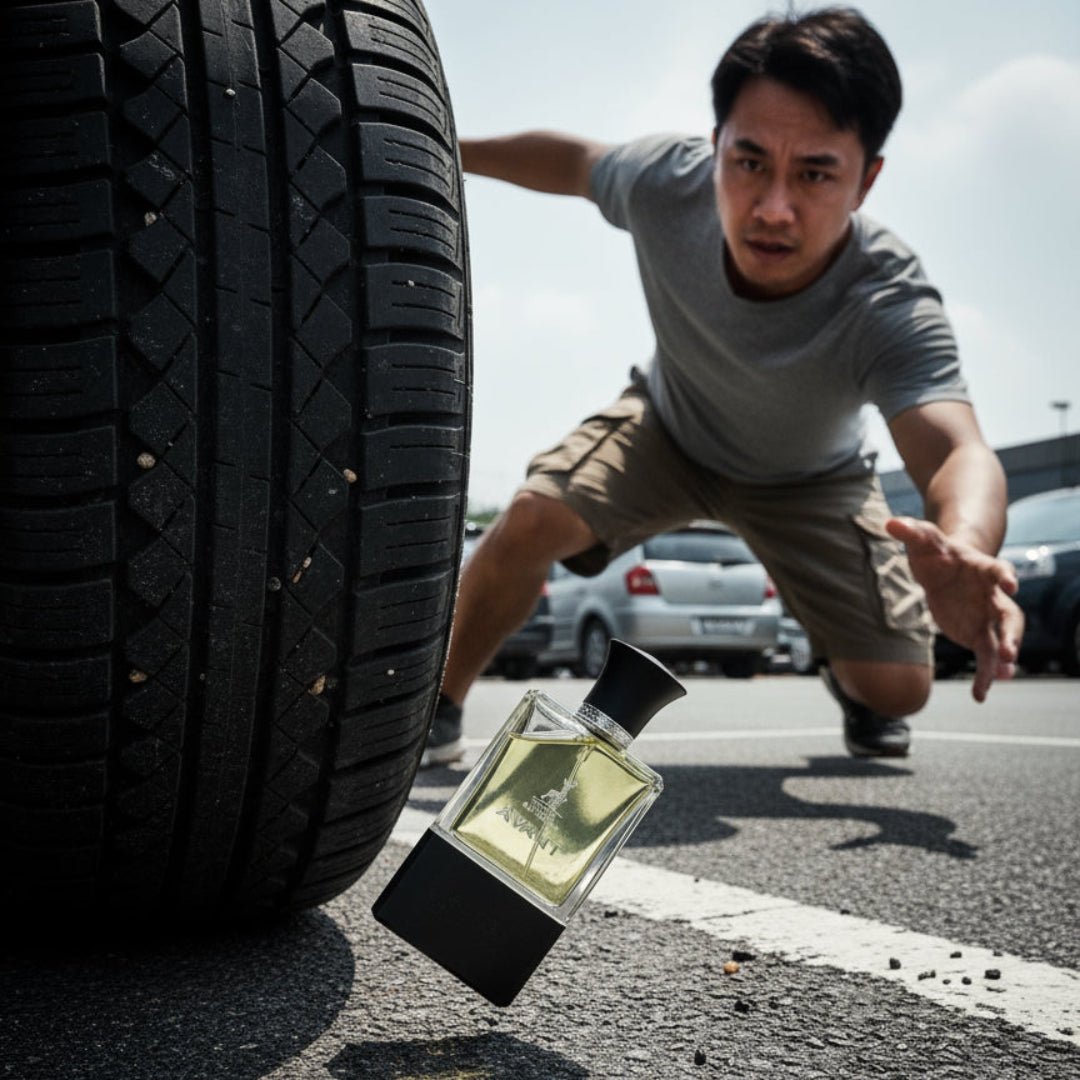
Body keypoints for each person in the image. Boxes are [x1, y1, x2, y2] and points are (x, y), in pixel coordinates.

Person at [422, 6, 1024, 767]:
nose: (773, 207)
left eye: (814, 173)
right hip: (670, 429)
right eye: (749, 163)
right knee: (535, 514)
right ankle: (437, 705)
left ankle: (849, 668)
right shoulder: (665, 183)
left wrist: (966, 543)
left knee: (900, 689)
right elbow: (573, 162)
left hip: (809, 481)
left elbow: (955, 449)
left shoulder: (888, 298)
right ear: (714, 151)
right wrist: (440, 143)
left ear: (867, 179)